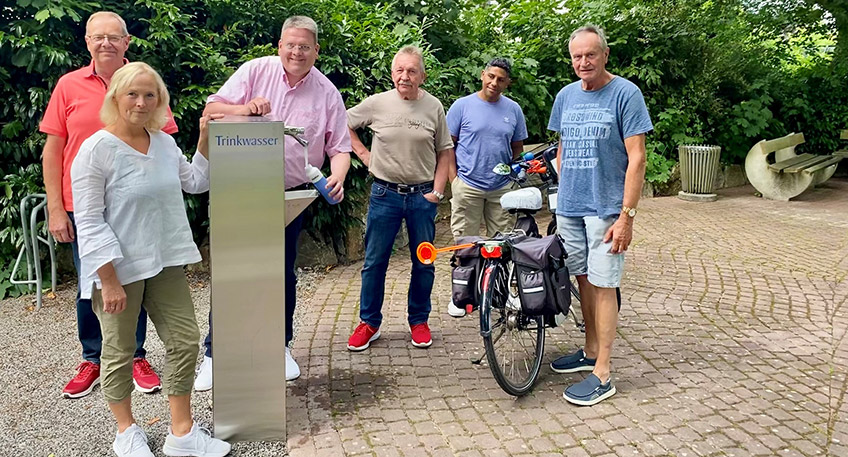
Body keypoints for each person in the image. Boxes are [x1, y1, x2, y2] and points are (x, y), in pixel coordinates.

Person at [71, 62, 230, 457]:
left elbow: (196, 182)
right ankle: (126, 431)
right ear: (115, 98)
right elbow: (88, 221)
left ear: (160, 101)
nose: (141, 102)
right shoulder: (96, 150)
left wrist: (204, 139)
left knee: (185, 340)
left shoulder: (163, 142)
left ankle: (182, 434)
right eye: (132, 94)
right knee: (119, 351)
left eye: (150, 95)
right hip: (118, 270)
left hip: (165, 261)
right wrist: (106, 279)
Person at [197, 15, 351, 387]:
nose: (297, 52)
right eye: (291, 45)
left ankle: (278, 347)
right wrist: (244, 108)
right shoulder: (254, 71)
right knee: (234, 270)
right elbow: (211, 112)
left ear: (316, 50)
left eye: (305, 46)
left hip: (290, 196)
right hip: (242, 188)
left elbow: (340, 147)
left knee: (281, 272)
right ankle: (216, 354)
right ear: (279, 45)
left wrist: (339, 175)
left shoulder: (328, 92)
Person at [39, 11, 174, 399]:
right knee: (92, 283)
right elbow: (54, 150)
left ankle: (135, 356)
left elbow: (165, 147)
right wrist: (55, 206)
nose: (106, 44)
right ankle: (92, 357)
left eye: (114, 37)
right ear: (87, 43)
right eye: (98, 37)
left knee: (137, 279)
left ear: (126, 42)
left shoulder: (144, 82)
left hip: (137, 207)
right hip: (84, 207)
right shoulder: (68, 86)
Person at [547, 25, 653, 406]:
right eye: (577, 56)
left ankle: (603, 373)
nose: (583, 62)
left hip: (607, 209)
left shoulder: (626, 94)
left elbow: (637, 158)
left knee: (605, 283)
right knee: (584, 279)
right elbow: (560, 148)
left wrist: (627, 215)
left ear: (605, 55)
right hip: (571, 206)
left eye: (590, 55)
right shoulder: (565, 96)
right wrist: (562, 193)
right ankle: (590, 350)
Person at [346, 45, 454, 351]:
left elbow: (445, 151)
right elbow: (343, 123)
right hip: (384, 195)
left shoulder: (434, 107)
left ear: (422, 75)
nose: (404, 76)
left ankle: (418, 321)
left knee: (424, 262)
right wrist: (364, 154)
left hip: (422, 197)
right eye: (399, 70)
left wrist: (438, 191)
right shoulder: (377, 103)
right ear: (392, 73)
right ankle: (369, 323)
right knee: (374, 262)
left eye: (411, 71)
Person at [445, 57, 528, 318]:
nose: (494, 82)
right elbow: (448, 146)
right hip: (467, 185)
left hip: (501, 188)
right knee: (465, 244)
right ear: (482, 75)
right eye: (491, 76)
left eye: (501, 79)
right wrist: (454, 182)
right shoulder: (462, 106)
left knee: (503, 245)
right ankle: (462, 298)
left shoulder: (513, 110)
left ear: (507, 83)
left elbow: (517, 148)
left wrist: (515, 175)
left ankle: (500, 295)